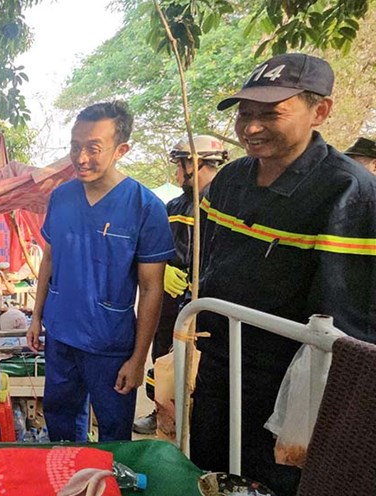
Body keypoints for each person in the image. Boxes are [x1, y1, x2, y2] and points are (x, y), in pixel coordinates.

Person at [191, 53, 376, 495]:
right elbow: (212, 264)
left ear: (320, 111)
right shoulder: (229, 180)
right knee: (206, 475)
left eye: (271, 114)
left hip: (287, 388)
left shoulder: (350, 193)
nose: (251, 127)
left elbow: (349, 322)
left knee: (274, 484)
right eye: (244, 113)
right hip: (219, 367)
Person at [26, 101, 175, 442]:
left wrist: (138, 359)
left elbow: (151, 288)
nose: (80, 158)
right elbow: (49, 258)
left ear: (121, 150)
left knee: (114, 433)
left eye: (93, 148)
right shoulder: (61, 198)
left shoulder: (145, 207)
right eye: (75, 146)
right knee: (62, 427)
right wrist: (36, 317)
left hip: (110, 343)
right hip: (60, 336)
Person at [133, 135, 228, 435]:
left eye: (180, 165)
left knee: (199, 362)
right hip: (170, 297)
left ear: (196, 164)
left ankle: (196, 416)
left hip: (203, 299)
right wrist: (164, 271)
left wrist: (199, 281)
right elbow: (156, 248)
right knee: (163, 354)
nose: (176, 173)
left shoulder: (224, 203)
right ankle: (160, 411)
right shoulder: (174, 205)